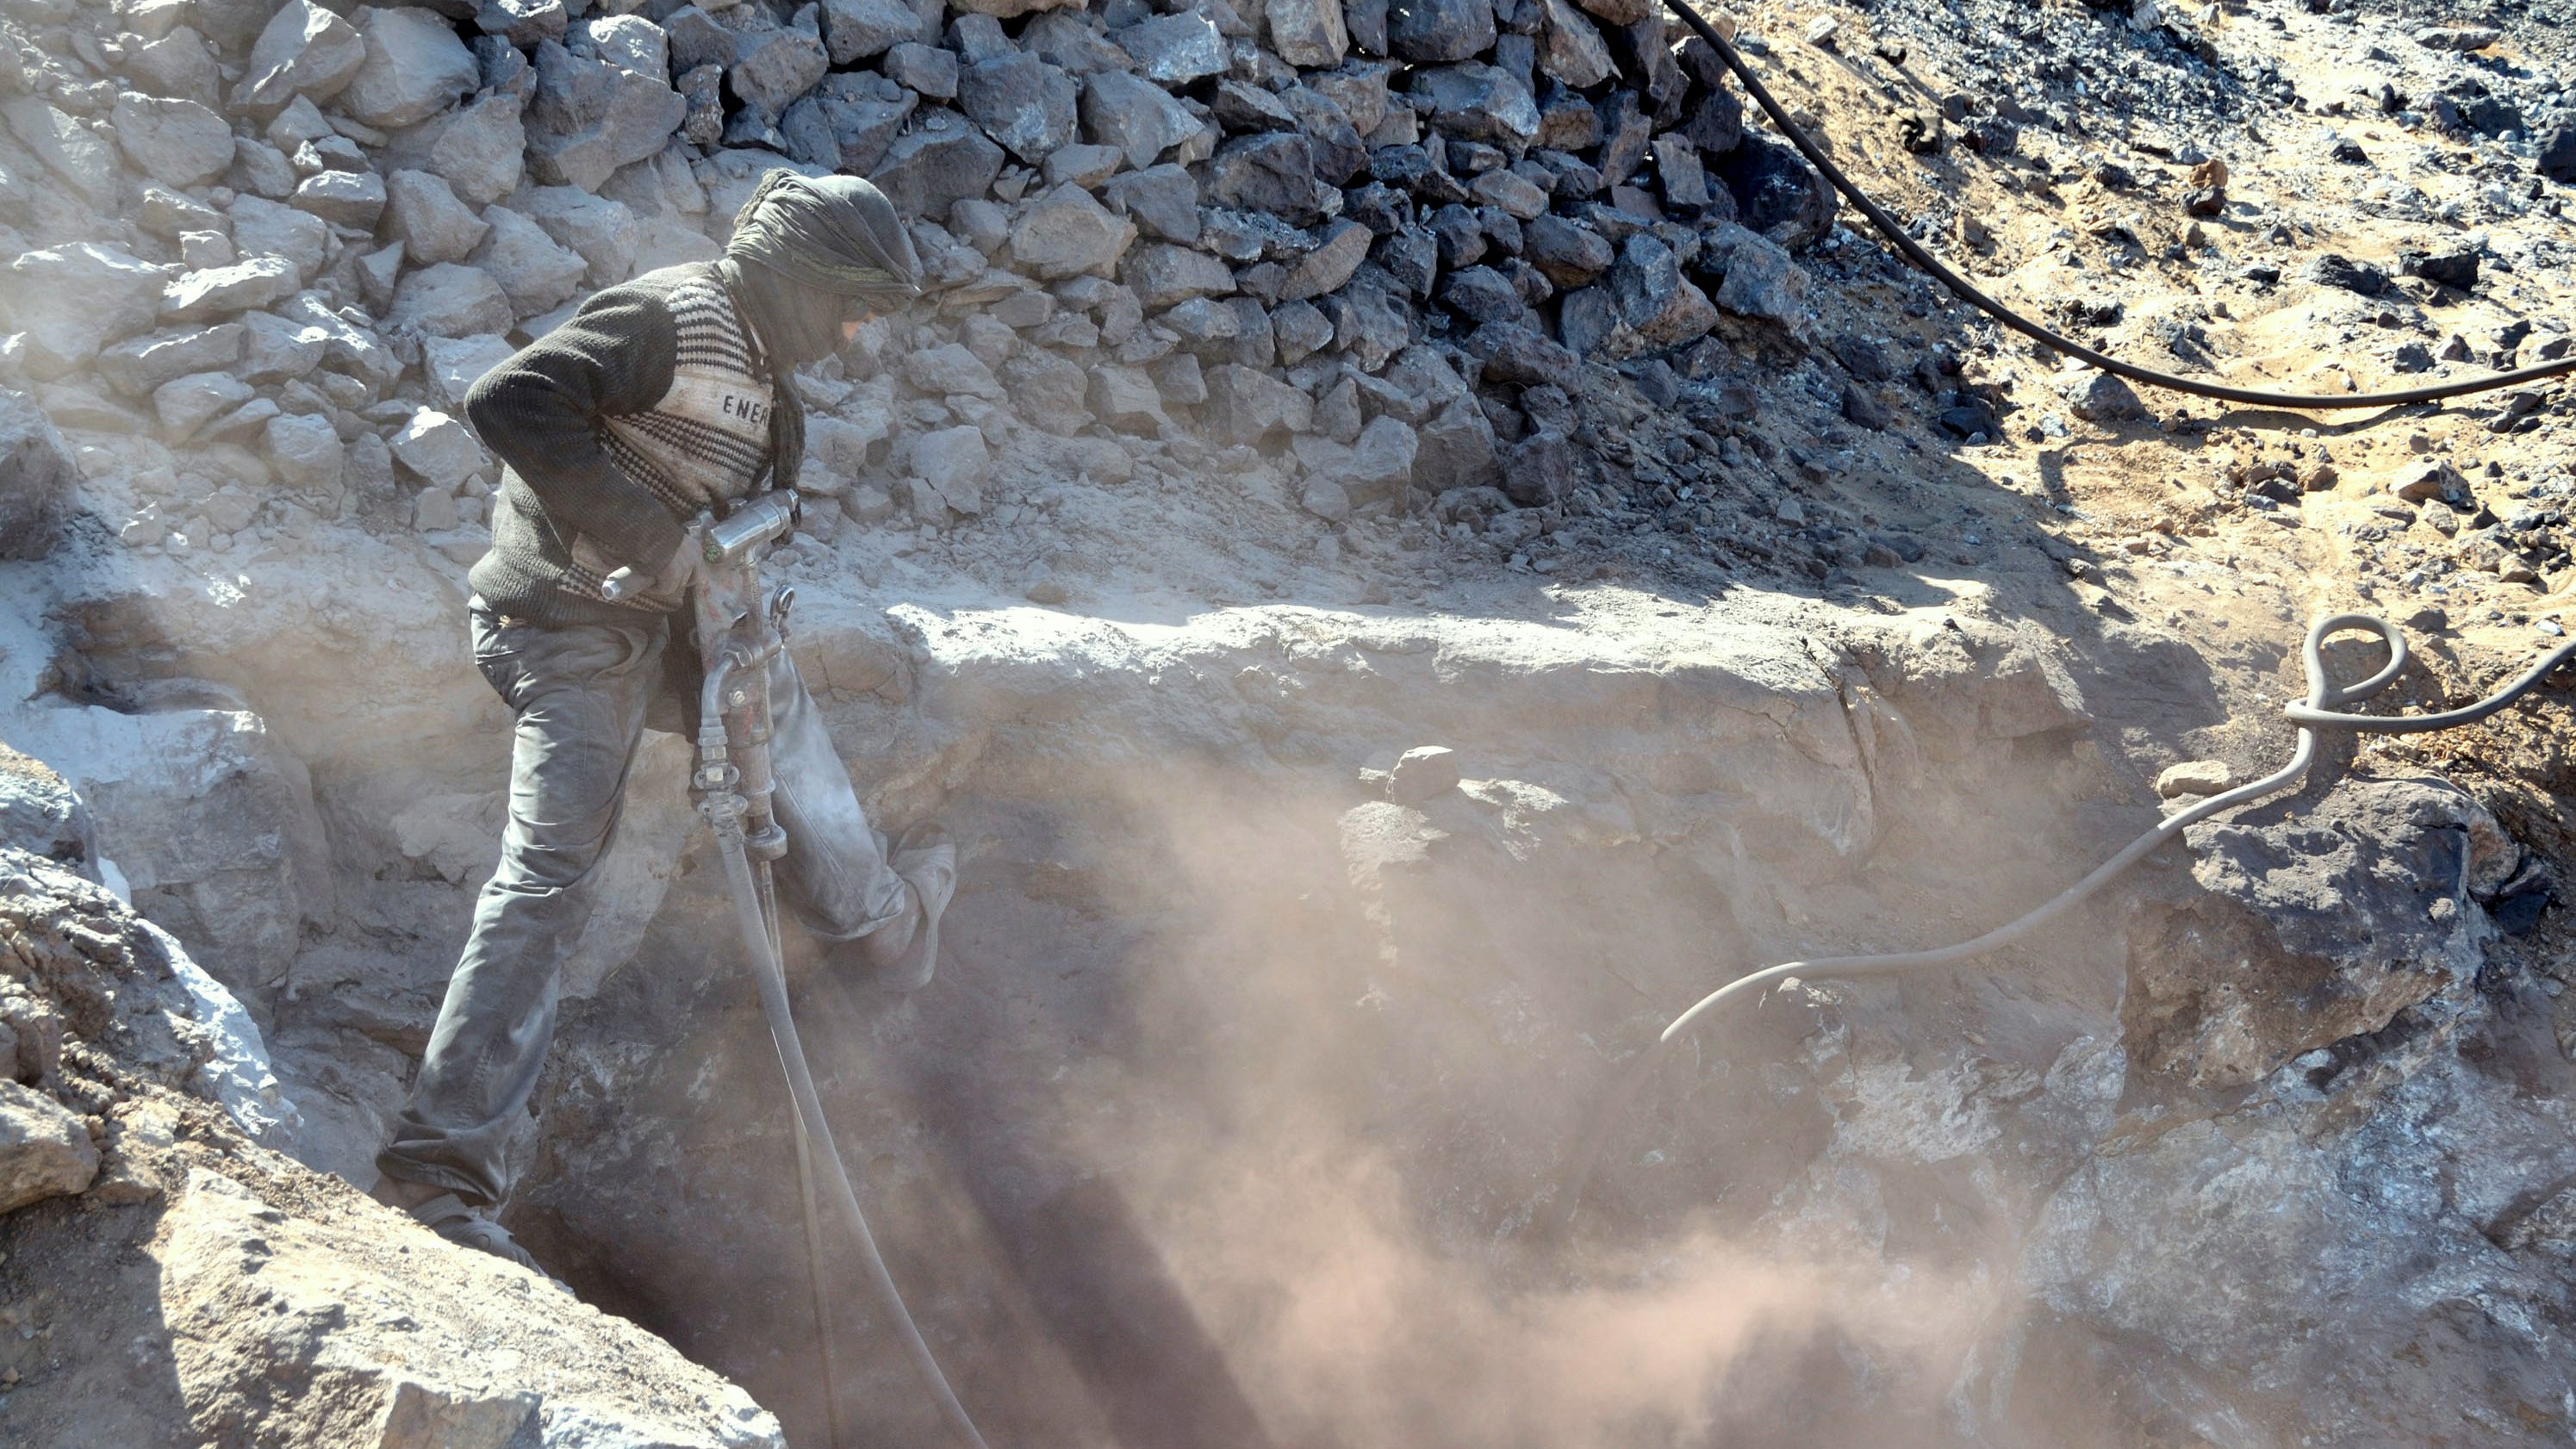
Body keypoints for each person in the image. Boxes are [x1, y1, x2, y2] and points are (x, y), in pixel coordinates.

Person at [370, 171, 952, 1272]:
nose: (859, 331)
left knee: (791, 741)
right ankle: (436, 1172)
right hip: (567, 625)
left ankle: (882, 932)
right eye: (851, 305)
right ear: (801, 280)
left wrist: (726, 630)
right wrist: (649, 530)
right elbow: (509, 400)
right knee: (551, 870)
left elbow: (717, 541)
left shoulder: (772, 395)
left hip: (676, 630)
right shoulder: (673, 317)